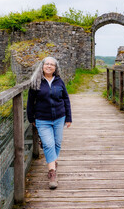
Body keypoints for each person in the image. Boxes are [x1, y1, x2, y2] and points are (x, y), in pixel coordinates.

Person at [27, 57, 72, 189]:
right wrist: (31, 119)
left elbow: (66, 99)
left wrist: (68, 118)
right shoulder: (36, 82)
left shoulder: (59, 82)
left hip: (59, 117)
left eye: (52, 65)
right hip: (42, 119)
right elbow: (30, 103)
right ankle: (52, 173)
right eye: (47, 64)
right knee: (48, 144)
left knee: (57, 143)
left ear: (55, 68)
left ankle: (53, 161)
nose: (49, 66)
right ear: (42, 66)